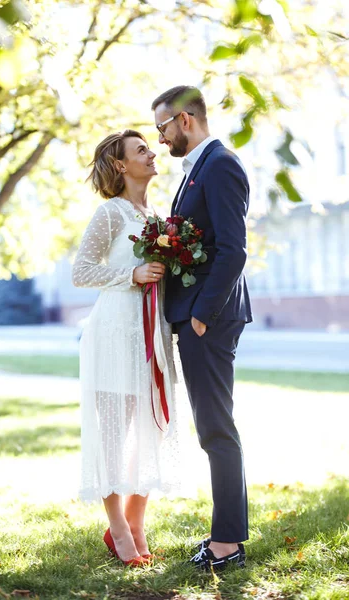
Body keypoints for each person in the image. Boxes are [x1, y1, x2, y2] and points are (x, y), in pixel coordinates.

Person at [151, 86, 253, 571]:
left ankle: (227, 543)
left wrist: (201, 314)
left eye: (162, 127)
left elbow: (235, 249)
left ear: (185, 120)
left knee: (216, 428)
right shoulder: (198, 168)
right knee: (213, 427)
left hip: (208, 320)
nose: (160, 137)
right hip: (196, 316)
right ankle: (226, 535)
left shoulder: (221, 164)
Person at [72, 130, 180, 567]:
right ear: (121, 166)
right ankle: (116, 526)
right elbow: (81, 271)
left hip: (152, 334)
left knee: (150, 429)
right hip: (115, 332)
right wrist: (130, 276)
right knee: (115, 434)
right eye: (141, 151)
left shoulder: (159, 216)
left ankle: (137, 521)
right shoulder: (111, 214)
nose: (152, 153)